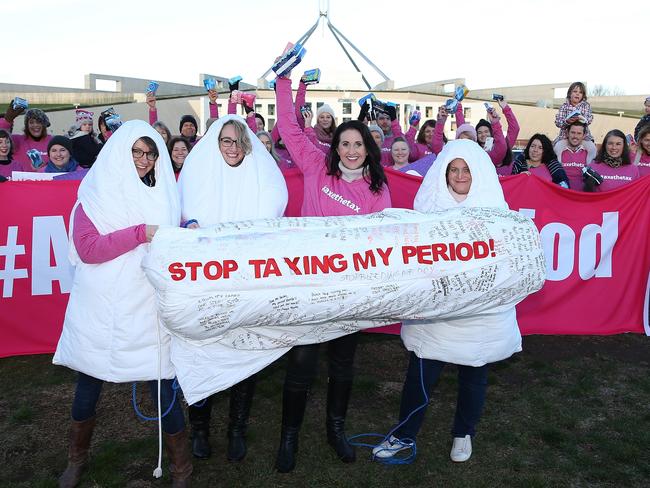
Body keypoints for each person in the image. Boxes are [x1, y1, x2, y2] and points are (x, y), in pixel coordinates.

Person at [52, 120, 191, 488]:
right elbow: (89, 249)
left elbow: (171, 230)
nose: (144, 160)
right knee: (88, 385)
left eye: (150, 154)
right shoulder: (94, 195)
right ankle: (76, 459)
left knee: (162, 384)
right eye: (136, 152)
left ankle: (181, 469)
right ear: (120, 152)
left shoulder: (162, 192)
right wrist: (140, 233)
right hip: (101, 308)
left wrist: (186, 228)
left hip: (146, 304)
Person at [373, 139, 521, 463]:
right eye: (453, 169)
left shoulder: (496, 210)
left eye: (465, 170)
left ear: (477, 173)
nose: (459, 175)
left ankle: (463, 433)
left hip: (478, 312)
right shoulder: (429, 206)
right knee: (421, 374)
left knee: (474, 374)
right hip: (436, 312)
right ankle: (403, 434)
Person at [275, 74, 391, 473]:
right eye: (345, 143)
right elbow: (288, 126)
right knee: (302, 364)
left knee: (343, 364)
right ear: (335, 147)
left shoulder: (377, 189)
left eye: (358, 144)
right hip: (310, 287)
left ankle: (335, 430)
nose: (352, 150)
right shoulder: (315, 167)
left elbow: (383, 241)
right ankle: (288, 436)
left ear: (367, 148)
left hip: (349, 292)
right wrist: (285, 79)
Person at [177, 115, 288, 464]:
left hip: (245, 279)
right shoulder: (198, 174)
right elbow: (183, 213)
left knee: (244, 349)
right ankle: (199, 427)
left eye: (239, 140)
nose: (233, 147)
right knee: (201, 349)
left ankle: (237, 428)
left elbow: (270, 213)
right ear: (215, 143)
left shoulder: (262, 175)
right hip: (206, 280)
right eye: (226, 140)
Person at [0, 104, 52, 171]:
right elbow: (2, 134)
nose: (35, 125)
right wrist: (7, 120)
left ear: (45, 124)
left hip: (46, 180)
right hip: (20, 180)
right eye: (31, 122)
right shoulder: (17, 140)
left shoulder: (52, 141)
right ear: (26, 126)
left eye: (39, 122)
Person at [553, 82, 597, 157]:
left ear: (583, 95)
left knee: (592, 149)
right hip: (565, 136)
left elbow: (589, 118)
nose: (577, 94)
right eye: (575, 91)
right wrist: (566, 121)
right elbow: (558, 121)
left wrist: (582, 119)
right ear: (570, 93)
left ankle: (589, 166)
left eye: (580, 92)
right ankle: (559, 166)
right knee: (557, 148)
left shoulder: (586, 106)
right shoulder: (564, 106)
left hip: (583, 137)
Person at [556, 121, 595, 190]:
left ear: (584, 135)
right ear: (567, 133)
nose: (575, 136)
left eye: (579, 133)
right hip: (562, 193)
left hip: (582, 196)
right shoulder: (559, 151)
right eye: (573, 132)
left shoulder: (589, 153)